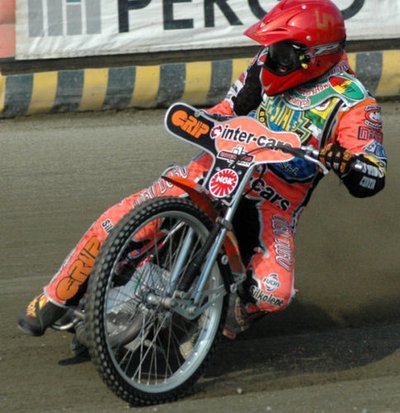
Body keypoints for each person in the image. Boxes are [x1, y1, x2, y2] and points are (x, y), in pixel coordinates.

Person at [18, 0, 387, 341]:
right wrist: (204, 121)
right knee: (123, 220)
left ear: (314, 57)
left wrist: (349, 163)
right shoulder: (264, 66)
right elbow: (228, 108)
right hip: (217, 169)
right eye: (273, 49)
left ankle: (213, 331)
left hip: (273, 202)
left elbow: (372, 174)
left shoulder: (356, 104)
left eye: (282, 52)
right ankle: (54, 297)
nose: (272, 57)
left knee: (273, 293)